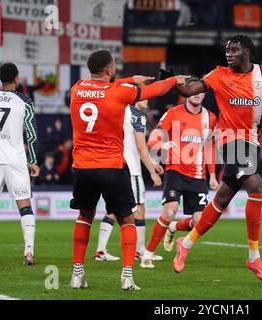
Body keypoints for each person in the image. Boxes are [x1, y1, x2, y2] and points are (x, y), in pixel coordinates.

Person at [167, 34, 262, 281]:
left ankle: (186, 243)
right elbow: (190, 89)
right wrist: (171, 81)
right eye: (227, 50)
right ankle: (253, 257)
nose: (229, 53)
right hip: (230, 140)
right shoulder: (219, 74)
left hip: (252, 142)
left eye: (234, 49)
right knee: (256, 188)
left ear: (247, 51)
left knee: (222, 198)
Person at [69, 48, 188, 291]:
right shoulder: (120, 92)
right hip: (111, 166)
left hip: (82, 167)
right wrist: (174, 80)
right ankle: (126, 277)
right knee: (127, 219)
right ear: (110, 70)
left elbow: (103, 87)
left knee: (84, 217)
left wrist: (129, 79)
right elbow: (155, 90)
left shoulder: (77, 88)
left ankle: (77, 274)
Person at [141, 77, 219, 269]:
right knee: (169, 211)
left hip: (198, 174)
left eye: (201, 91)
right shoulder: (172, 113)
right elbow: (153, 138)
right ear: (186, 92)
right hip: (175, 170)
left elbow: (209, 146)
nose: (197, 94)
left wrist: (213, 175)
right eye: (193, 90)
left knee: (200, 223)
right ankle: (147, 255)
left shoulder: (210, 118)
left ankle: (175, 227)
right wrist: (162, 144)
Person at [93, 100, 165, 262]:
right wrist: (152, 171)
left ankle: (100, 250)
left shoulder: (115, 110)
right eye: (144, 95)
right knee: (140, 209)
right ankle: (139, 252)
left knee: (113, 209)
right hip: (131, 169)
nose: (147, 99)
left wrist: (152, 163)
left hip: (113, 166)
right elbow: (140, 146)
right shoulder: (136, 115)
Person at [0, 62, 40, 265]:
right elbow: (31, 135)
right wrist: (33, 161)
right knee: (24, 206)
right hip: (15, 159)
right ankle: (29, 252)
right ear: (17, 79)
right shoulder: (24, 100)